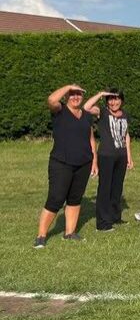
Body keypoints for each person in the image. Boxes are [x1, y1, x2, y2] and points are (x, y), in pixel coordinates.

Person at [33, 84, 97, 248]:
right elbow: (51, 99)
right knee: (55, 199)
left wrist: (94, 161)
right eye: (72, 94)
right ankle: (41, 236)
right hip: (61, 163)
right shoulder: (60, 111)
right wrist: (68, 86)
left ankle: (69, 233)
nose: (76, 97)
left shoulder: (86, 115)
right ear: (67, 96)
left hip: (83, 163)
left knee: (75, 199)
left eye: (79, 94)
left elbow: (90, 139)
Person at [83, 89, 133, 232]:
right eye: (110, 99)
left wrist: (129, 156)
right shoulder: (102, 112)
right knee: (105, 188)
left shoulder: (125, 115)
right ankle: (103, 223)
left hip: (121, 156)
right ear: (107, 101)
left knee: (117, 188)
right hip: (106, 156)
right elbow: (86, 108)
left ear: (121, 100)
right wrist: (99, 94)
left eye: (117, 99)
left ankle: (115, 217)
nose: (114, 102)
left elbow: (126, 135)